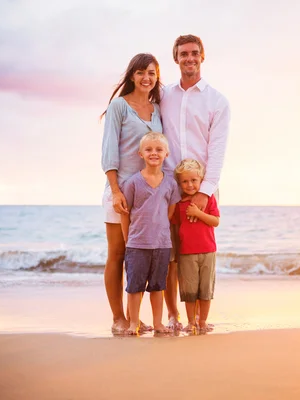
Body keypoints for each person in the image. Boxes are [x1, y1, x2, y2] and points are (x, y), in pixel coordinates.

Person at [160, 34, 230, 329]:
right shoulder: (164, 96)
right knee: (170, 255)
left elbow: (217, 150)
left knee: (197, 253)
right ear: (175, 58)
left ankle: (200, 318)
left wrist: (204, 192)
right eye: (183, 54)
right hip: (168, 189)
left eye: (194, 53)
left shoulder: (217, 101)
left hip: (201, 190)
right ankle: (174, 315)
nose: (189, 58)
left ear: (202, 56)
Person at [101, 53, 163, 333]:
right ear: (131, 76)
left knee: (136, 256)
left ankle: (133, 317)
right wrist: (115, 191)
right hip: (121, 192)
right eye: (140, 72)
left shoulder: (157, 110)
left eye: (151, 72)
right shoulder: (119, 107)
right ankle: (118, 318)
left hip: (147, 196)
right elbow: (109, 152)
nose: (146, 78)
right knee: (117, 253)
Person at [120, 132, 180, 335]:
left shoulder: (171, 183)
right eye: (149, 149)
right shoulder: (133, 183)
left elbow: (170, 212)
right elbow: (125, 213)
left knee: (157, 287)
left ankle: (158, 323)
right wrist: (128, 240)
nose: (154, 153)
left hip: (162, 244)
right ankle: (133, 323)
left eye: (158, 149)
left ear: (166, 153)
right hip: (137, 244)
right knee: (135, 287)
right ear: (140, 153)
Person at [172, 159, 219, 333]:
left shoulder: (209, 199)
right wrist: (176, 252)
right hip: (186, 253)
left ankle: (203, 321)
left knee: (205, 290)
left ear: (201, 180)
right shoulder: (179, 204)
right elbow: (176, 228)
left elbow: (215, 221)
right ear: (179, 183)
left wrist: (198, 213)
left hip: (208, 251)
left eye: (194, 180)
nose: (189, 184)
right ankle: (191, 322)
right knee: (189, 291)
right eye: (184, 181)